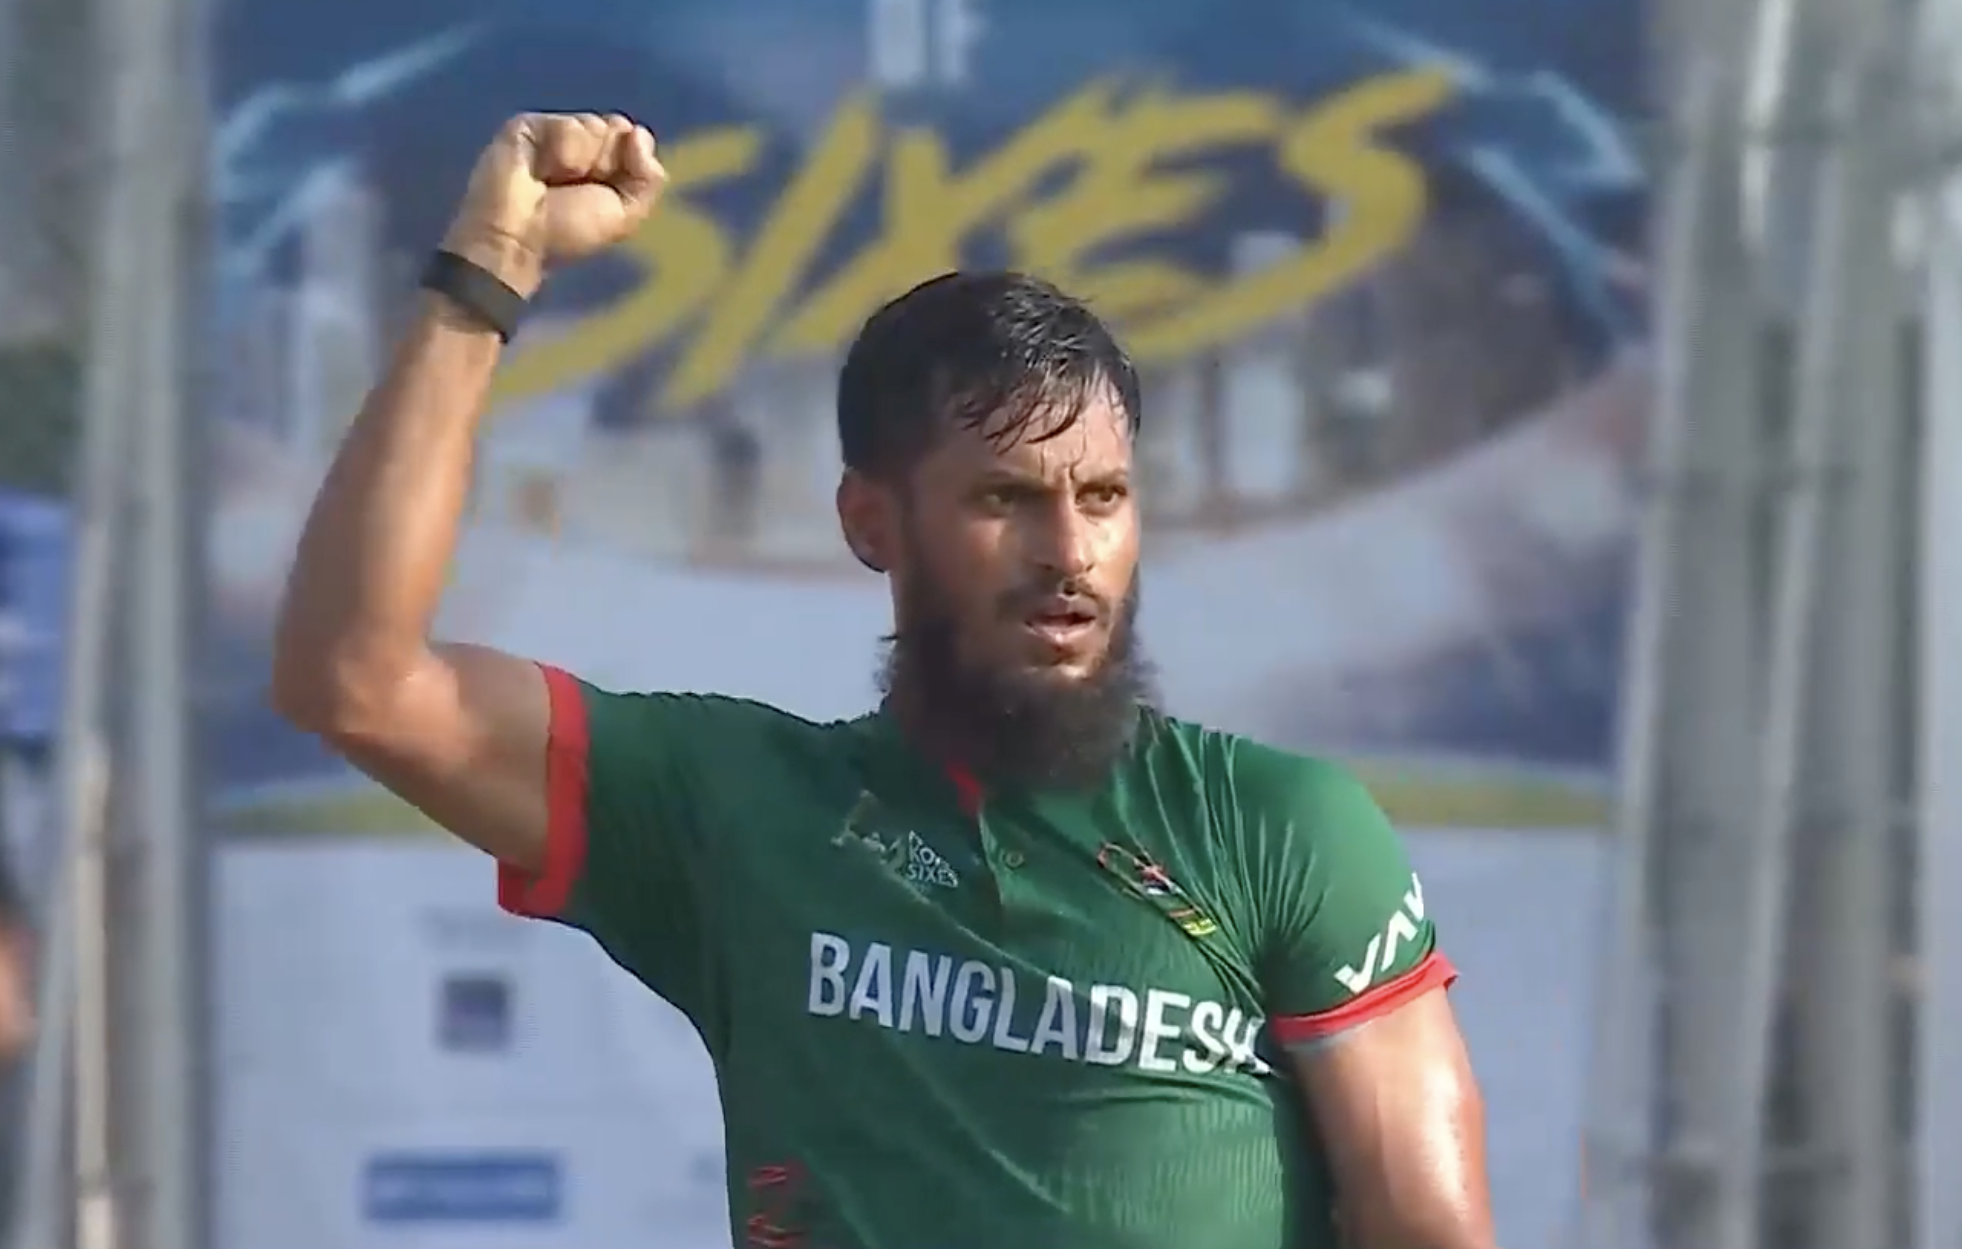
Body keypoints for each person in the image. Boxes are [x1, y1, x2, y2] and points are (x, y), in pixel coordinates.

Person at [270, 112, 1496, 1249]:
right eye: (1004, 499)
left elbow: (1432, 1234)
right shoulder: (740, 810)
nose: (1069, 552)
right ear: (871, 522)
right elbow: (359, 678)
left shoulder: (1279, 827)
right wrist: (486, 273)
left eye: (1104, 497)